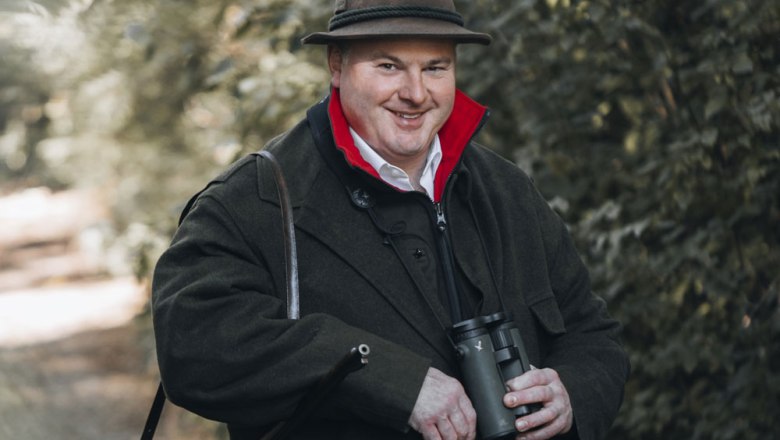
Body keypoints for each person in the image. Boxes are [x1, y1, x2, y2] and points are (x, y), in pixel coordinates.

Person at [151, 1, 630, 439]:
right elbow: (192, 348)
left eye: (435, 68)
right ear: (336, 65)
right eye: (388, 66)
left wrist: (571, 394)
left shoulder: (506, 190)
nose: (416, 93)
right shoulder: (257, 199)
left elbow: (593, 335)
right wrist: (389, 379)